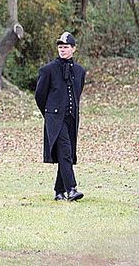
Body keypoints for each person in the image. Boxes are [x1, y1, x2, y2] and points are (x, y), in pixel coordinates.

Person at [34, 31, 86, 202]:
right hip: (55, 118)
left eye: (66, 47)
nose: (62, 50)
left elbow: (77, 93)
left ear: (74, 49)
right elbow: (39, 96)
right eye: (60, 47)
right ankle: (71, 188)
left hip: (72, 117)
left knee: (68, 153)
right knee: (64, 151)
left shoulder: (79, 71)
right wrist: (49, 115)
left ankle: (59, 191)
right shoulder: (48, 70)